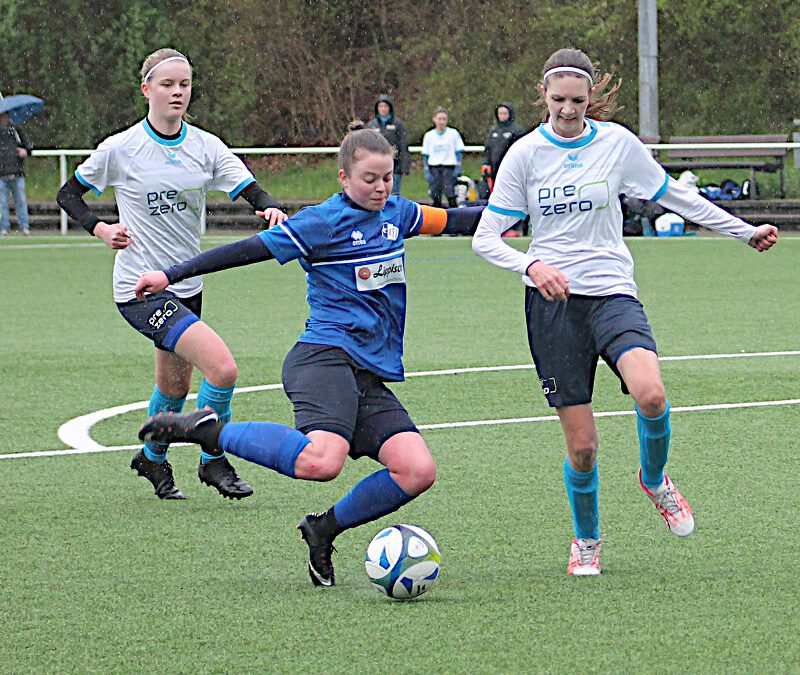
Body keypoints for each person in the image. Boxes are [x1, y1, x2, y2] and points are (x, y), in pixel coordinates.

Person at [472, 47, 779, 576]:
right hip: (554, 307)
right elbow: (484, 238)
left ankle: (655, 479)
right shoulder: (523, 154)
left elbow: (677, 199)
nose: (568, 110)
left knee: (652, 392)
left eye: (578, 99)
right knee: (584, 448)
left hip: (613, 292)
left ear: (592, 97)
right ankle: (587, 540)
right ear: (543, 95)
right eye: (558, 99)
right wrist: (532, 267)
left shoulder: (618, 144)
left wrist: (743, 230)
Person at [135, 123, 483, 587]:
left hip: (364, 372)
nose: (380, 188)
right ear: (343, 177)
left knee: (417, 470)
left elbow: (455, 220)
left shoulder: (398, 213)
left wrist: (518, 209)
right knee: (322, 461)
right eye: (369, 179)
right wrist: (171, 274)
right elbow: (245, 251)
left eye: (388, 178)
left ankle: (323, 529)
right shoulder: (321, 222)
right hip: (323, 358)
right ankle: (209, 431)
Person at [56, 48, 288, 501]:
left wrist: (269, 207)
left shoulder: (204, 145)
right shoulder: (122, 148)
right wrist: (102, 229)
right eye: (167, 84)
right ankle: (212, 459)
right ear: (147, 90)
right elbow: (70, 195)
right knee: (222, 369)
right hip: (140, 288)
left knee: (174, 387)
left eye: (184, 84)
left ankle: (152, 458)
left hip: (186, 285)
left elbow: (246, 186)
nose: (177, 92)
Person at [366, 94, 410, 195]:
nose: (383, 109)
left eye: (385, 106)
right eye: (380, 106)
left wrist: (404, 166)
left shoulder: (398, 124)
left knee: (393, 194)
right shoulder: (371, 125)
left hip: (395, 165)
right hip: (375, 165)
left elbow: (404, 145)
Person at [422, 107, 465, 208]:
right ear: (434, 119)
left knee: (450, 193)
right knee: (436, 194)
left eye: (444, 119)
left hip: (449, 167)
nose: (441, 122)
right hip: (434, 167)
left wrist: (458, 166)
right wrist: (426, 170)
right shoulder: (429, 135)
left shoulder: (453, 133)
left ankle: (455, 216)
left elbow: (459, 151)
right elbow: (426, 154)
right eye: (439, 119)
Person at [0, 112, 33, 236]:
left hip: (17, 173)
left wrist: (25, 150)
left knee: (20, 201)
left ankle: (24, 227)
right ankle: (4, 228)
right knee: (2, 203)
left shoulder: (15, 130)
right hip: (1, 175)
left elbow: (29, 146)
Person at [481, 102, 526, 191]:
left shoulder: (517, 130)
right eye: (500, 113)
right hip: (495, 167)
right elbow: (488, 149)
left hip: (511, 166)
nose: (502, 116)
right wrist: (486, 163)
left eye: (505, 113)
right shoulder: (493, 130)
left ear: (510, 114)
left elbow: (522, 149)